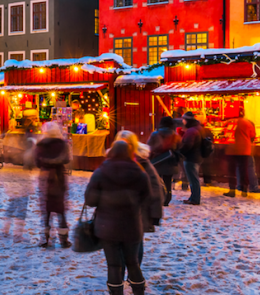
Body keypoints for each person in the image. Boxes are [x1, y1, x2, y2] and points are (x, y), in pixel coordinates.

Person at [85, 140, 150, 295]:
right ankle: (139, 291)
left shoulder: (100, 172)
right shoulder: (140, 173)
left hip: (107, 227)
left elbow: (90, 201)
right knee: (133, 262)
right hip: (132, 225)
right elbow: (146, 198)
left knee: (113, 265)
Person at [116, 131, 164, 271]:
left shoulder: (142, 162)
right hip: (117, 211)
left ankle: (134, 273)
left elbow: (155, 188)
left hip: (137, 211)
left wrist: (154, 214)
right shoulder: (113, 161)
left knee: (136, 244)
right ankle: (121, 273)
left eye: (127, 144)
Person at [34, 122, 71, 248]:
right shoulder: (63, 145)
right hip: (59, 177)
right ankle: (64, 240)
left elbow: (37, 162)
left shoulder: (41, 145)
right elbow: (67, 159)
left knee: (46, 210)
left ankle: (45, 239)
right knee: (61, 210)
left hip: (45, 178)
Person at [147, 116, 180, 205]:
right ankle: (167, 199)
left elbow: (149, 147)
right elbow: (179, 149)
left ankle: (157, 198)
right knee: (168, 182)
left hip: (157, 161)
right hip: (170, 161)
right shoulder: (176, 136)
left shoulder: (155, 134)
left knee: (156, 182)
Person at [224, 108, 256, 198]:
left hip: (231, 149)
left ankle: (232, 190)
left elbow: (225, 134)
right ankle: (244, 189)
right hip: (245, 150)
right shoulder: (248, 123)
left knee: (231, 171)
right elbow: (252, 135)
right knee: (243, 170)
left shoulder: (230, 122)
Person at [178, 111, 203, 205]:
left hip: (191, 157)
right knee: (194, 179)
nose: (183, 121)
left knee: (193, 179)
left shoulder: (191, 131)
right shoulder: (198, 128)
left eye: (184, 120)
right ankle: (193, 197)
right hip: (197, 156)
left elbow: (187, 145)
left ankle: (195, 199)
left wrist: (180, 151)